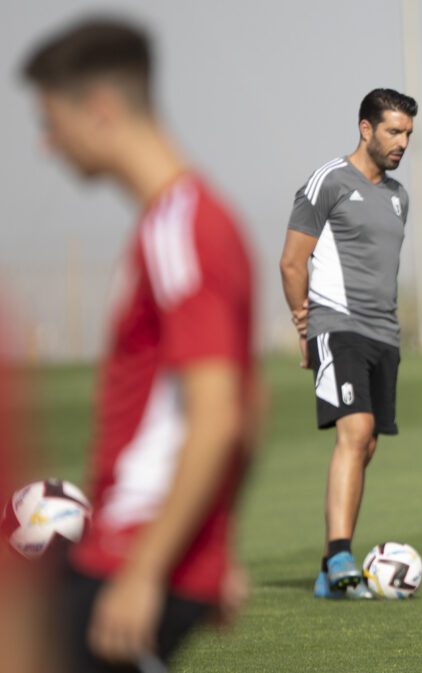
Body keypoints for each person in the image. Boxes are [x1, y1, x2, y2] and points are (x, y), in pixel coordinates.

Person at [21, 18, 256, 672]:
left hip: (132, 552)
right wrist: (212, 545)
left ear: (100, 110)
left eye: (51, 120)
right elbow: (246, 410)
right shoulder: (181, 222)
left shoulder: (182, 229)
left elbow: (219, 415)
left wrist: (149, 570)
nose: (47, 144)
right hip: (136, 549)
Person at [279, 88, 415, 600]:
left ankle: (328, 568)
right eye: (393, 131)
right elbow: (292, 261)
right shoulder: (329, 182)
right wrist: (303, 323)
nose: (402, 142)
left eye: (407, 134)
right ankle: (340, 556)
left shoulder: (401, 196)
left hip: (386, 333)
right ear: (365, 128)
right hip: (337, 326)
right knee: (354, 431)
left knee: (368, 442)